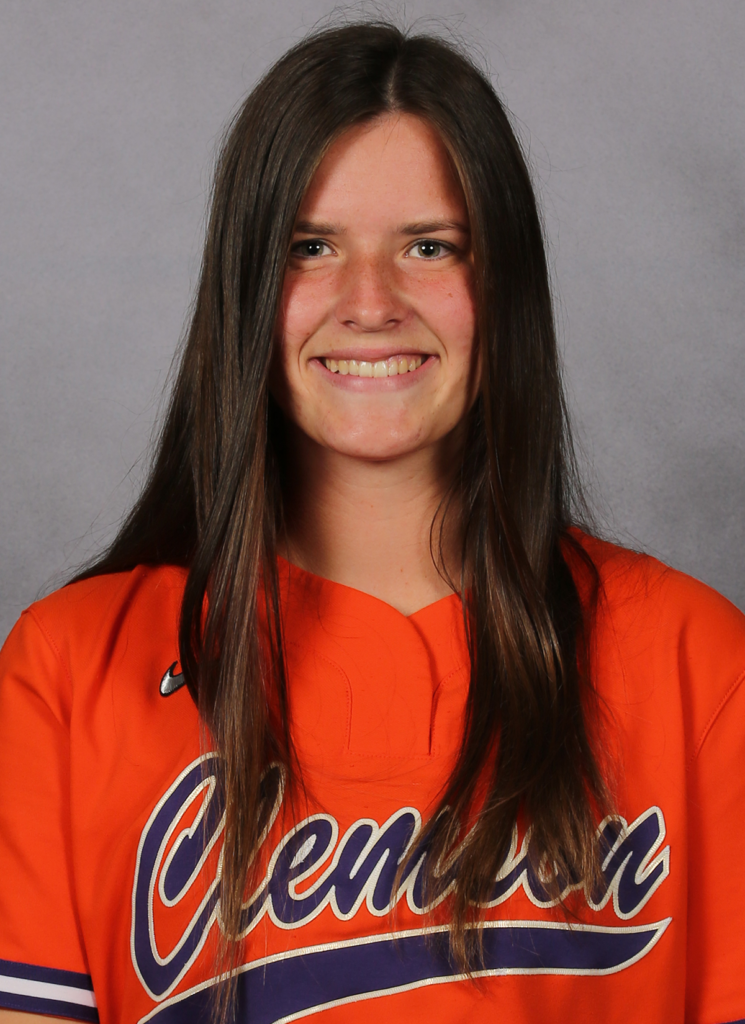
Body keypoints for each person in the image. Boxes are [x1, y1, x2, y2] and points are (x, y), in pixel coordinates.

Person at [0, 21, 743, 1024]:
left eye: (429, 247)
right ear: (246, 289)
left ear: (503, 285)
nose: (370, 301)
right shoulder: (67, 670)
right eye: (310, 248)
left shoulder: (696, 662)